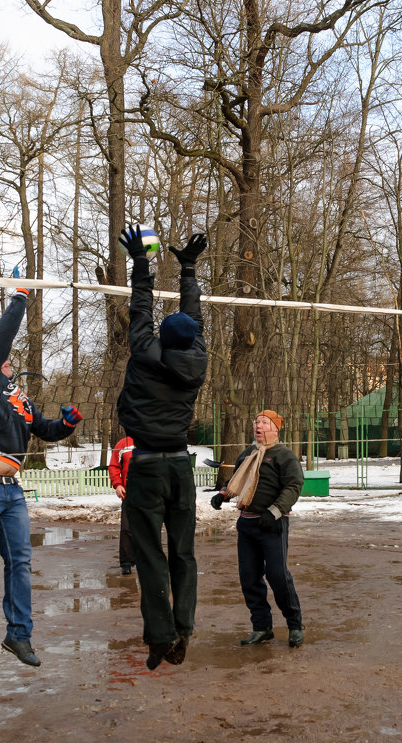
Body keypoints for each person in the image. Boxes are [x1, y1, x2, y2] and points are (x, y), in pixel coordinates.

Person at [0, 275, 83, 670]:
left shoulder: (19, 399)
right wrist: (21, 296)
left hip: (11, 490)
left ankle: (18, 636)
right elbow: (2, 339)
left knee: (21, 564)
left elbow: (45, 430)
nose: (9, 362)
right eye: (3, 358)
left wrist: (68, 424)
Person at [116, 225, 208, 670]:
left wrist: (141, 262)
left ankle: (161, 636)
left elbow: (140, 308)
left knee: (150, 553)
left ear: (159, 337)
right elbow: (194, 317)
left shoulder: (143, 352)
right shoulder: (198, 359)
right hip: (181, 469)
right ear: (191, 339)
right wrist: (188, 269)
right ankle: (183, 629)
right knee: (183, 552)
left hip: (148, 466)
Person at [211, 410, 306, 648]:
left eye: (264, 422)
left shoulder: (284, 455)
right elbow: (236, 481)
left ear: (276, 428)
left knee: (278, 576)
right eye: (257, 422)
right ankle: (262, 627)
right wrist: (223, 495)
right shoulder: (248, 454)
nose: (259, 426)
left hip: (273, 524)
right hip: (247, 524)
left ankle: (294, 625)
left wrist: (274, 512)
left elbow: (294, 486)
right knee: (249, 578)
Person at [108, 433, 136, 575]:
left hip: (150, 495)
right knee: (127, 529)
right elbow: (113, 466)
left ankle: (148, 561)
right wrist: (118, 484)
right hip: (129, 495)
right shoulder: (123, 444)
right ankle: (126, 563)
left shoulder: (153, 440)